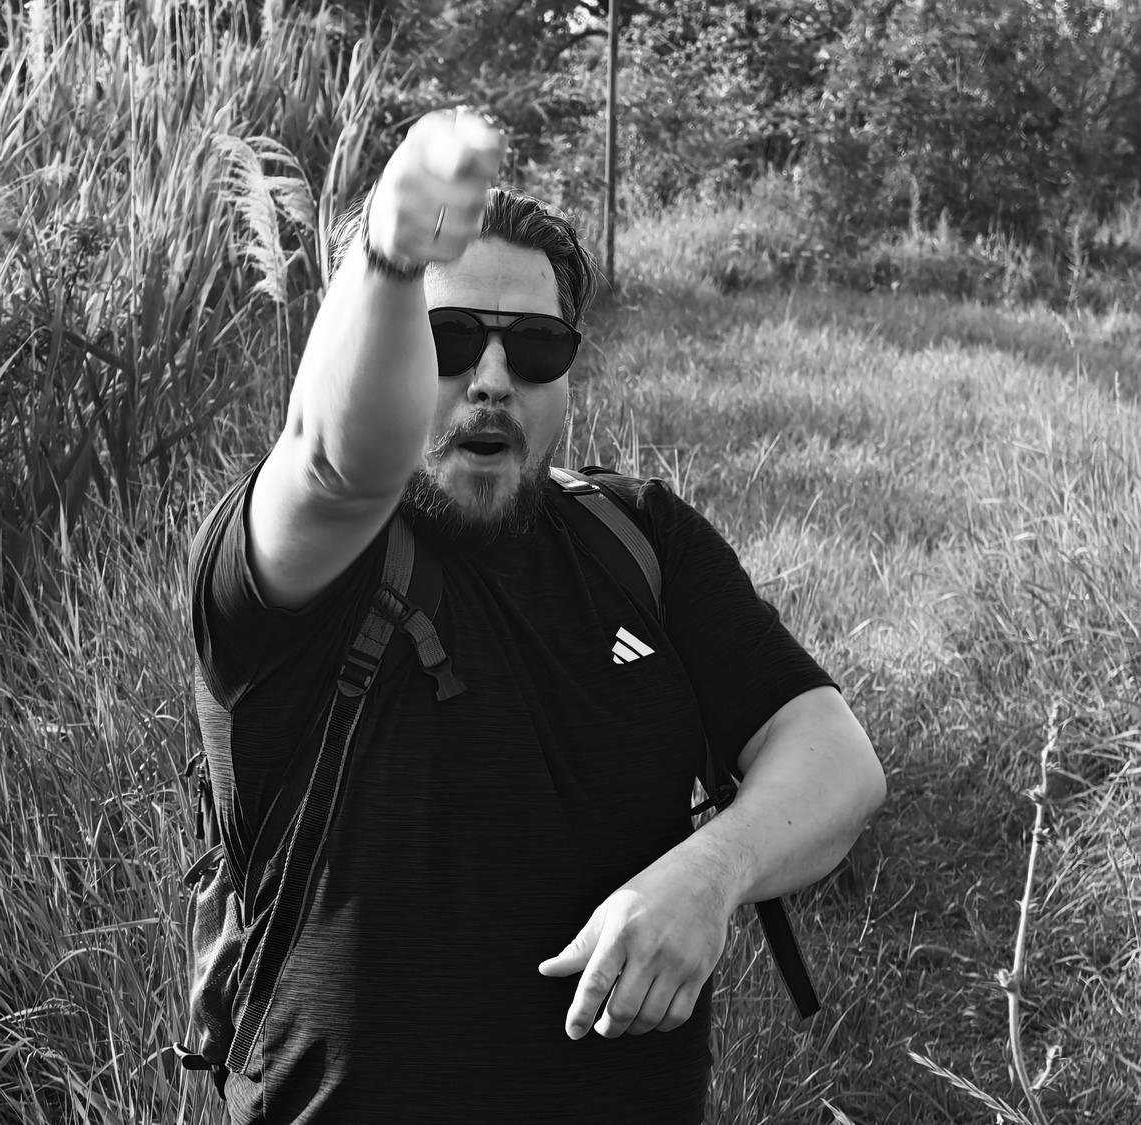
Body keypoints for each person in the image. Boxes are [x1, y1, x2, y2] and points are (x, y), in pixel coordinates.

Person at [187, 108, 887, 1124]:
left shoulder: (640, 539)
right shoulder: (300, 565)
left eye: (535, 347)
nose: (491, 380)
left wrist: (711, 872)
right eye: (446, 338)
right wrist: (387, 260)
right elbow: (337, 461)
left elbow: (833, 755)